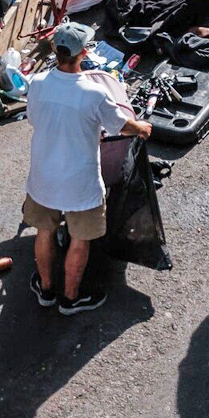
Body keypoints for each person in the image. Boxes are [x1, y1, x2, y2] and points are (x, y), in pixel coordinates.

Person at [24, 21, 153, 314]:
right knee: (80, 239)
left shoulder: (38, 83)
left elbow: (34, 120)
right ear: (83, 53)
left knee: (44, 232)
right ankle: (70, 298)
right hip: (81, 184)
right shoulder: (94, 94)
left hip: (43, 178)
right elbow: (122, 126)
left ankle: (45, 289)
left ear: (55, 49)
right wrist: (143, 128)